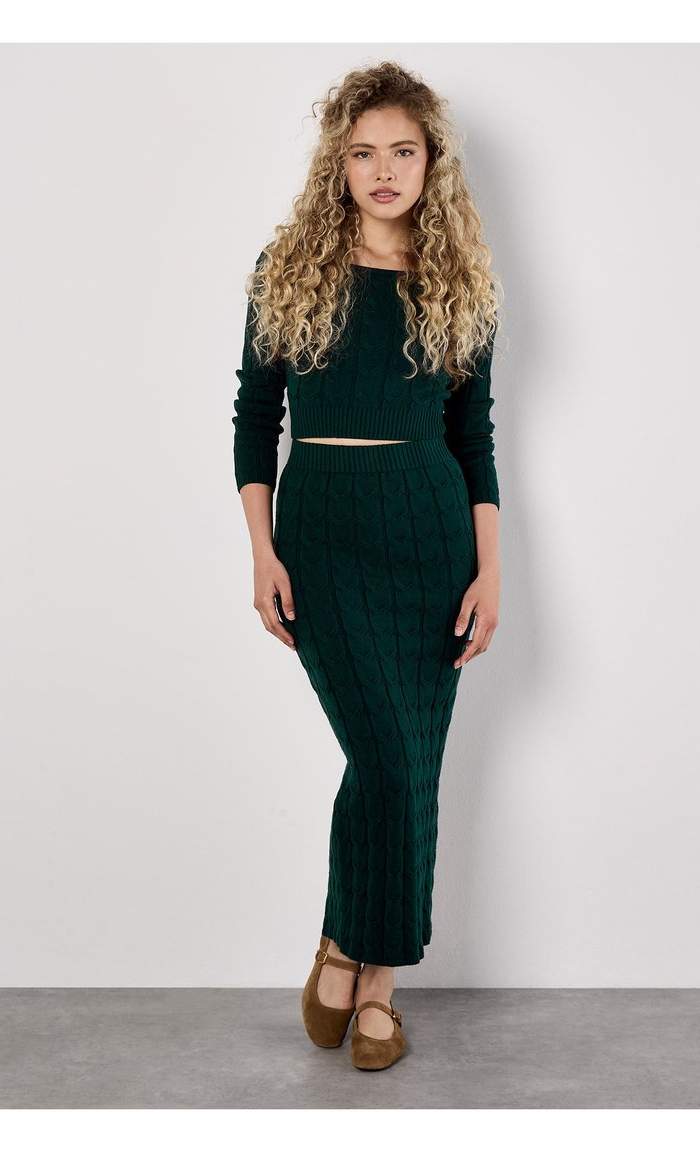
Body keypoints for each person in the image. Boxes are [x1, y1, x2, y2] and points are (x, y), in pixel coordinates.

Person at [231, 60, 502, 1071]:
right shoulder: (288, 266)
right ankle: (350, 943)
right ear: (336, 164)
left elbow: (474, 437)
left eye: (402, 151)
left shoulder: (459, 281)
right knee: (386, 758)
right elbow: (255, 419)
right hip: (324, 531)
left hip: (430, 534)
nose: (383, 170)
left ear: (431, 163)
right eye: (362, 152)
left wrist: (490, 571)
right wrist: (261, 551)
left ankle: (371, 976)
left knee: (405, 763)